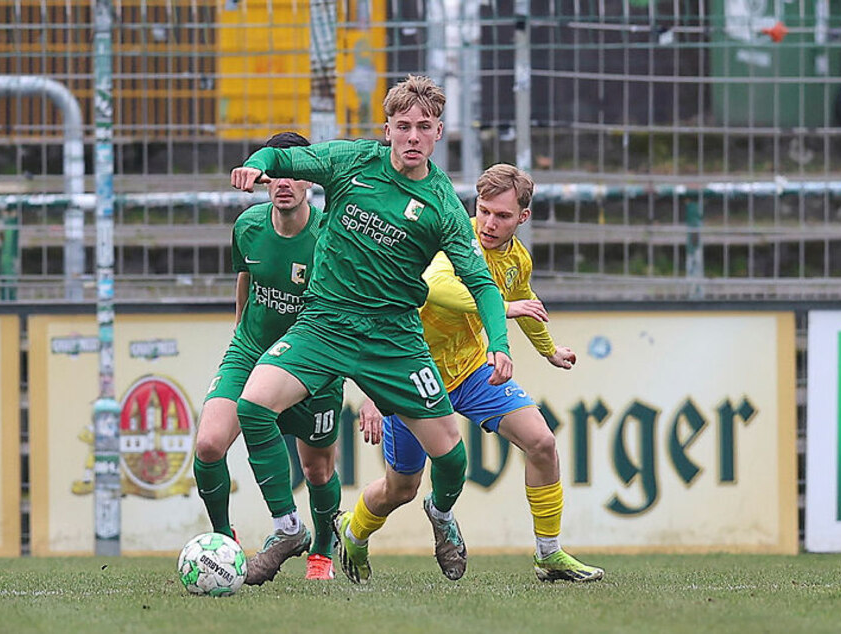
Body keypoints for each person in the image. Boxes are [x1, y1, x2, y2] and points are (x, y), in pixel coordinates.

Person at [229, 75, 513, 585]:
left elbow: (482, 284)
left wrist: (499, 343)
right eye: (402, 126)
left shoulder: (444, 205)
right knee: (252, 404)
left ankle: (442, 517)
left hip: (394, 340)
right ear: (388, 129)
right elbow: (287, 159)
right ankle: (287, 526)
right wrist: (258, 164)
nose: (411, 136)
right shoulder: (352, 162)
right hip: (326, 324)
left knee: (451, 457)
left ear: (438, 133)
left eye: (422, 127)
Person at [354, 164, 605, 583]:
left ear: (523, 217)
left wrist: (548, 350)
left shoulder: (517, 258)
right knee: (401, 488)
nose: (490, 222)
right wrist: (373, 393)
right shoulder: (453, 237)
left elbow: (523, 297)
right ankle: (354, 531)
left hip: (471, 370)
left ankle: (549, 554)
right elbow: (435, 286)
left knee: (542, 442)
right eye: (484, 210)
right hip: (411, 373)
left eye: (502, 216)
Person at [196, 132, 378, 582]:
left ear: (310, 181)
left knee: (318, 468)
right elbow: (246, 278)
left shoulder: (329, 238)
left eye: (295, 174)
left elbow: (358, 310)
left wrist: (371, 390)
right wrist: (240, 332)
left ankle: (320, 549)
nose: (283, 182)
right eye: (275, 174)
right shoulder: (248, 227)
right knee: (208, 445)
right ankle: (225, 544)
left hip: (314, 362)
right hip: (251, 352)